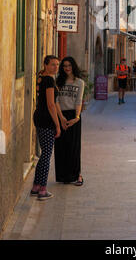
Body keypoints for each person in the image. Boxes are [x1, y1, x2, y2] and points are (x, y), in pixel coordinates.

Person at [31, 55, 61, 201]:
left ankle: (36, 186)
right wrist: (57, 124)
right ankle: (42, 190)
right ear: (45, 65)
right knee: (47, 155)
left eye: (57, 65)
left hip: (39, 116)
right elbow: (51, 104)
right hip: (46, 119)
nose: (56, 67)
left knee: (44, 154)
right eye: (53, 64)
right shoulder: (49, 80)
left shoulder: (41, 76)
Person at [55, 57, 85, 186]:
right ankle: (64, 176)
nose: (67, 68)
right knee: (61, 147)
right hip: (60, 115)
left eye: (69, 65)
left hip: (74, 115)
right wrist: (61, 118)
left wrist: (76, 117)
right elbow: (55, 101)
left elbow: (79, 101)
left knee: (74, 147)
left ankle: (77, 175)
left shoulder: (80, 82)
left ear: (73, 67)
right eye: (64, 66)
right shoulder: (58, 81)